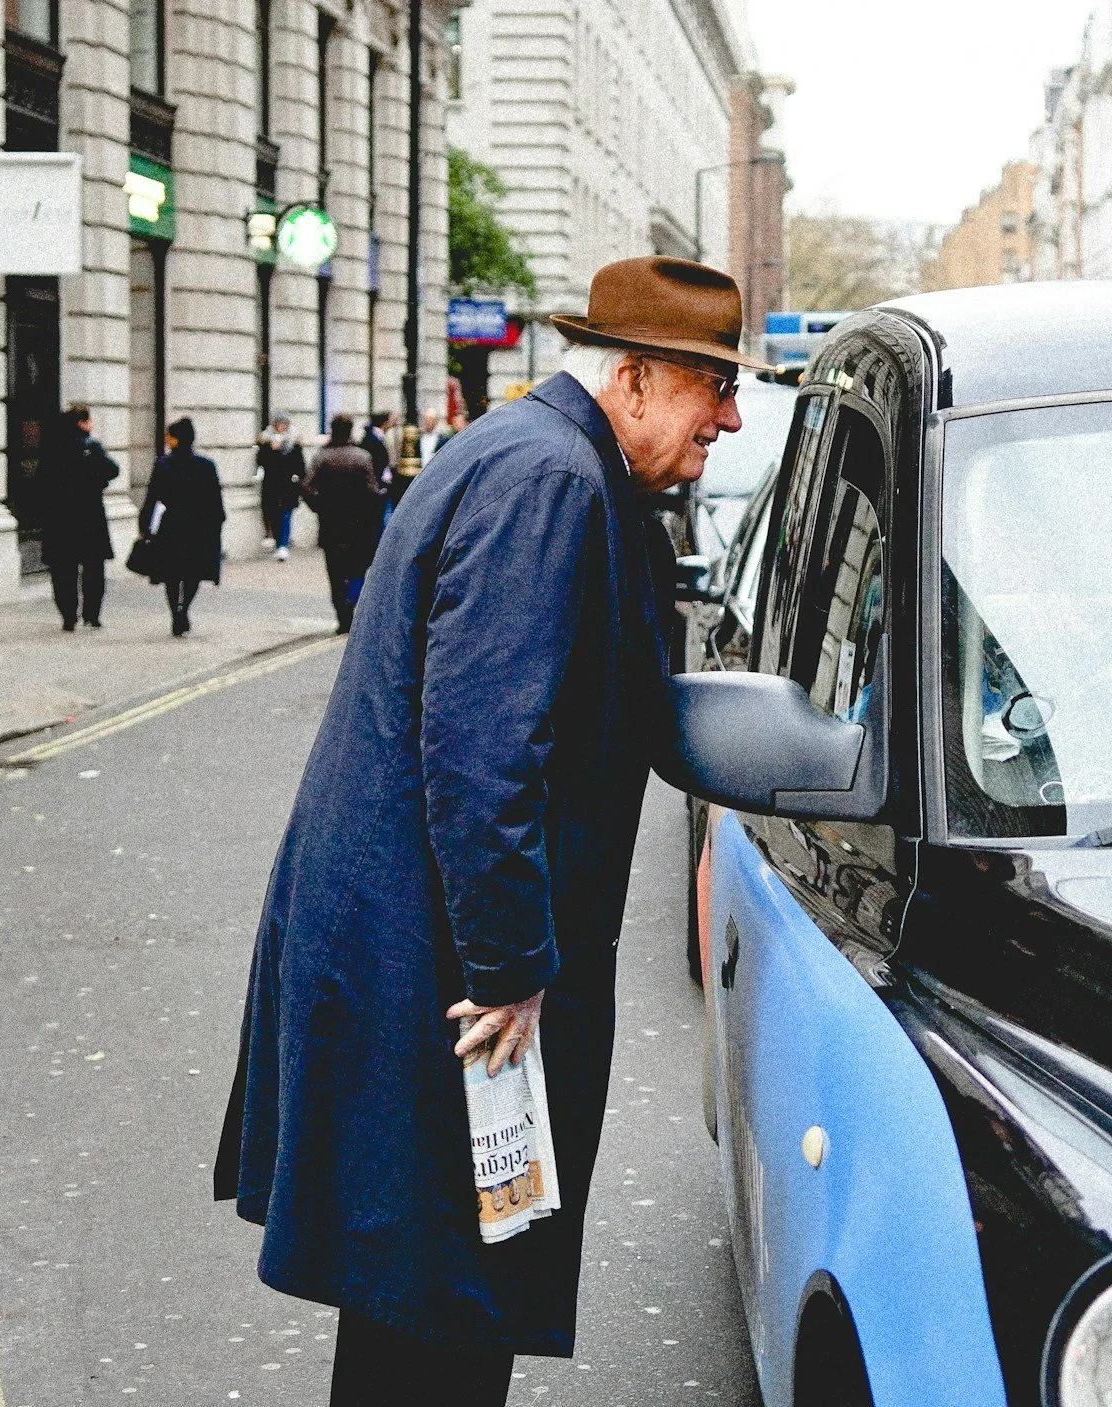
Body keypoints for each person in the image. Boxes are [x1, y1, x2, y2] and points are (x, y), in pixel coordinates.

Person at [215, 256, 756, 1403]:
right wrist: (512, 970)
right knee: (441, 1314)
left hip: (419, 945)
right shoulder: (552, 483)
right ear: (641, 377)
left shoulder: (536, 457)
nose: (730, 413)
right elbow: (480, 753)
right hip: (448, 969)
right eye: (714, 383)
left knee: (418, 1307)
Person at [134, 417, 226, 636]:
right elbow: (215, 501)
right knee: (193, 573)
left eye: (169, 436)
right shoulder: (206, 465)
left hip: (172, 526)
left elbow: (152, 498)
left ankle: (176, 613)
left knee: (172, 574)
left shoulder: (163, 464)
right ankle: (184, 610)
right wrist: (217, 525)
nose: (166, 439)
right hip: (199, 527)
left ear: (175, 439)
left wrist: (144, 525)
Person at [299, 414, 382, 633]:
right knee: (358, 567)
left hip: (331, 523)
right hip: (358, 523)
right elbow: (372, 491)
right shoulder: (362, 457)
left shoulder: (322, 458)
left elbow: (306, 487)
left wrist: (319, 506)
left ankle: (342, 616)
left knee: (335, 572)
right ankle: (351, 602)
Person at [44, 404, 121, 631]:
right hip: (89, 515)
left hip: (60, 517)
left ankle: (68, 615)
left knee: (62, 568)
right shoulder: (91, 447)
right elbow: (113, 470)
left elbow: (42, 481)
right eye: (89, 420)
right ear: (82, 423)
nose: (92, 425)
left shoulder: (53, 448)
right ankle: (92, 615)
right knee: (93, 567)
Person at [258, 415, 307, 561]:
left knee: (286, 514)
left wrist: (298, 480)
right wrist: (271, 450)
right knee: (274, 515)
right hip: (271, 485)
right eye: (278, 424)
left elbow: (299, 464)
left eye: (283, 424)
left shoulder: (294, 441)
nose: (281, 427)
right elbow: (261, 461)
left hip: (288, 485)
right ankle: (279, 542)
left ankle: (283, 545)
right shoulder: (266, 440)